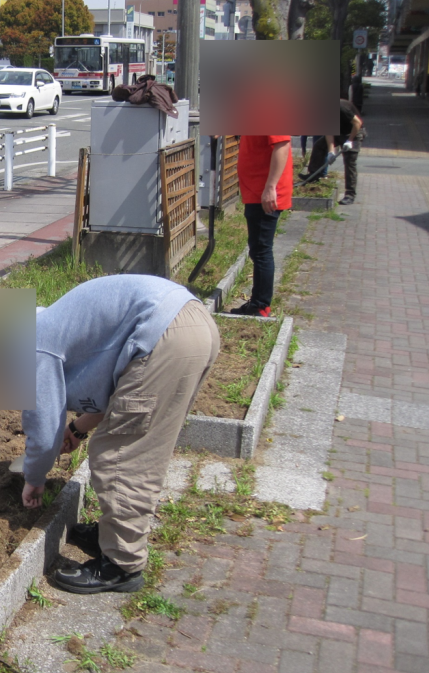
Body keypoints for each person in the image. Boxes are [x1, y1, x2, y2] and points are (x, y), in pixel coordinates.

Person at [21, 276, 220, 594]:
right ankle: (114, 534)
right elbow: (117, 393)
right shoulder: (52, 323)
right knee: (137, 440)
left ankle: (122, 565)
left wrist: (34, 477)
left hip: (165, 334)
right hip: (189, 322)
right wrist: (76, 429)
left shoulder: (33, 345)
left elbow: (43, 431)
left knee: (120, 455)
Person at [231, 135, 294, 318]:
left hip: (265, 195)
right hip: (256, 191)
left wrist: (270, 187)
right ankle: (258, 301)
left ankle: (260, 306)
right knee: (258, 249)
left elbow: (282, 145)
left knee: (261, 250)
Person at [302, 99, 364, 206]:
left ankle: (350, 194)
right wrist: (331, 151)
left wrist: (349, 140)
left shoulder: (341, 108)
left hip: (354, 132)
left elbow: (357, 123)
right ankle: (313, 175)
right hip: (339, 131)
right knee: (319, 146)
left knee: (350, 162)